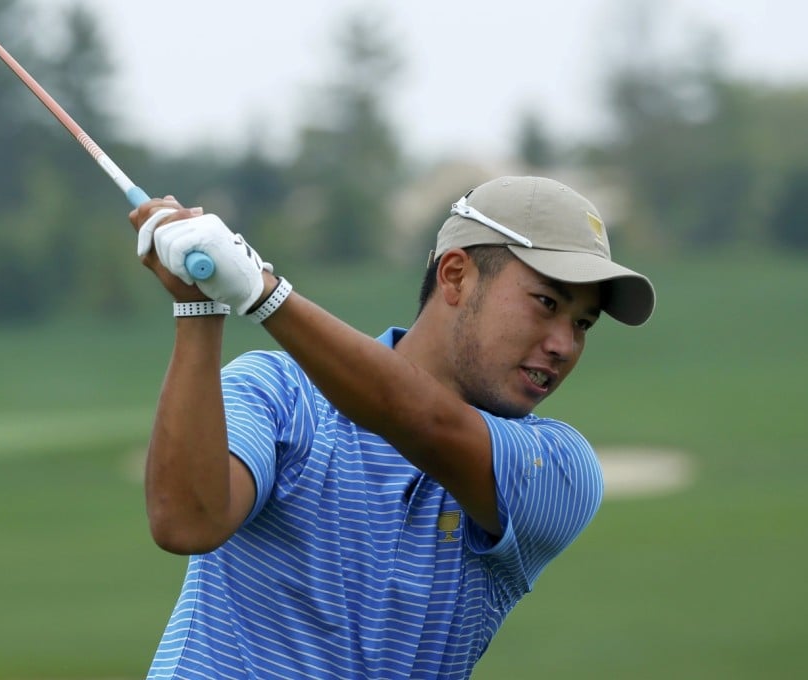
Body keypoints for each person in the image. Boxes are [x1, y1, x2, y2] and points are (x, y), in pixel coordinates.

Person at [129, 175, 655, 679]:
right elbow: (186, 524)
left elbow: (422, 421)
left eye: (582, 324)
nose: (564, 345)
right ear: (455, 276)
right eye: (547, 303)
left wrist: (264, 294)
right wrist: (199, 307)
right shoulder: (278, 392)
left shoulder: (557, 468)